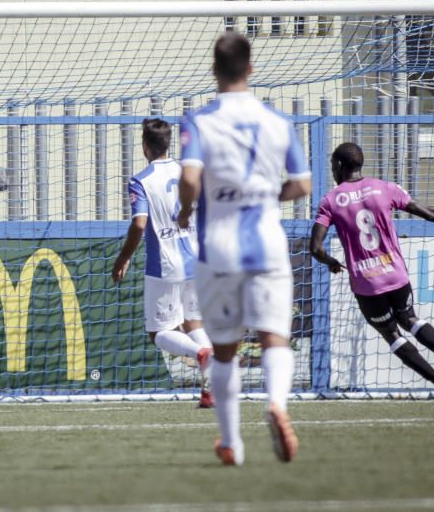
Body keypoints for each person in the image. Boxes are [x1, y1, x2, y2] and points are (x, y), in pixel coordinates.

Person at [177, 32, 311, 466]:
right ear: (251, 69)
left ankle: (232, 442)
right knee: (275, 338)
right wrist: (266, 195)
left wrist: (185, 209)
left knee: (224, 349)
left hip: (218, 247)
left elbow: (191, 178)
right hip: (268, 243)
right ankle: (277, 403)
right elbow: (303, 184)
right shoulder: (278, 122)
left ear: (214, 70)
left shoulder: (199, 121)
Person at [310, 142, 434, 405]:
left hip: (367, 284)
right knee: (410, 319)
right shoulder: (385, 188)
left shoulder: (331, 200)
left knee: (392, 334)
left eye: (332, 164)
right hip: (395, 275)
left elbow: (315, 248)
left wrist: (330, 261)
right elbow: (430, 214)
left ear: (339, 165)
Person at [111, 118, 215, 408]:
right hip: (197, 261)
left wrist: (124, 257)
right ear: (168, 143)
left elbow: (140, 223)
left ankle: (201, 355)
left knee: (159, 333)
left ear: (145, 146)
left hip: (165, 266)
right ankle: (209, 387)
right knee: (193, 322)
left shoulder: (141, 180)